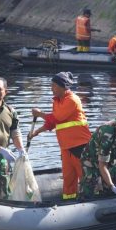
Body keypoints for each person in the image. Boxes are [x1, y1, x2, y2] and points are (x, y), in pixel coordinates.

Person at [29, 72, 91, 200]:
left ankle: (90, 199)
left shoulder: (72, 100)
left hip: (80, 145)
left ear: (63, 86)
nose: (51, 88)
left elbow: (57, 118)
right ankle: (69, 201)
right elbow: (52, 122)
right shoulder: (57, 101)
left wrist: (39, 114)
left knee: (84, 176)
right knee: (68, 178)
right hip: (66, 147)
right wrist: (36, 132)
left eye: (54, 86)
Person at [79, 111, 116, 199]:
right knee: (90, 186)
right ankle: (87, 200)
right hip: (91, 160)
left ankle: (110, 196)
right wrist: (111, 186)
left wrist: (113, 183)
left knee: (114, 179)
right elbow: (102, 165)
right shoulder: (107, 135)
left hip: (110, 157)